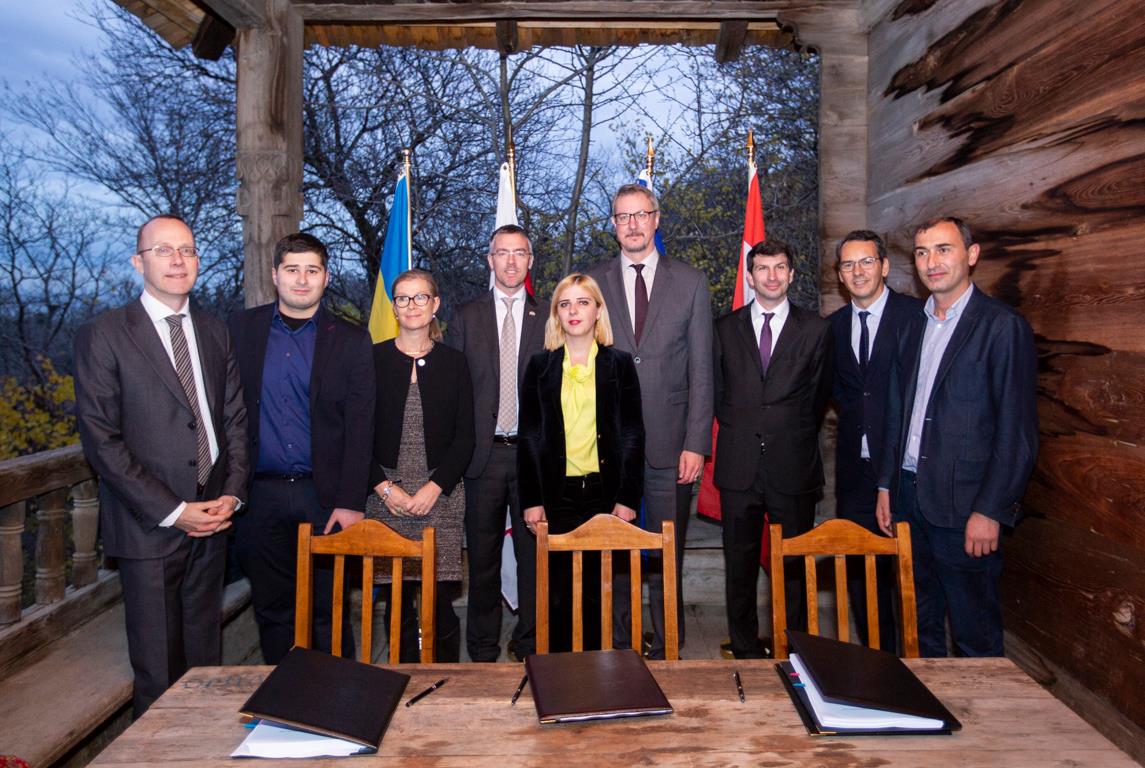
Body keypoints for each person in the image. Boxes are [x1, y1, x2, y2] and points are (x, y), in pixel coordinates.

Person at [74, 214, 250, 717]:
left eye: (187, 250)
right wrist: (175, 511)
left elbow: (235, 421)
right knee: (158, 672)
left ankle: (202, 746)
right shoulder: (105, 334)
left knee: (204, 665)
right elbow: (101, 441)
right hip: (148, 527)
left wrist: (232, 495)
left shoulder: (215, 331)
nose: (178, 260)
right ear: (139, 262)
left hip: (213, 520)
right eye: (163, 250)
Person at [877, 217, 1038, 657]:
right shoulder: (913, 326)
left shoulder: (1001, 327)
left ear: (971, 255)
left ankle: (981, 706)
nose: (932, 262)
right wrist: (887, 484)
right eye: (922, 252)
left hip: (966, 509)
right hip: (908, 499)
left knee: (974, 637)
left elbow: (1017, 433)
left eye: (943, 249)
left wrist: (990, 509)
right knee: (917, 628)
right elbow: (897, 414)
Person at [228, 232, 375, 663]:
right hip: (258, 497)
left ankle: (339, 697)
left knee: (329, 610)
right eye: (292, 269)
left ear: (326, 278)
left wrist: (351, 502)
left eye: (312, 270)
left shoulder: (351, 339)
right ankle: (282, 692)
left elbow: (361, 427)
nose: (302, 279)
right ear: (275, 275)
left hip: (324, 497)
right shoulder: (239, 331)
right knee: (272, 609)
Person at [586, 183, 713, 658]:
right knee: (613, 552)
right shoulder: (591, 282)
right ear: (613, 225)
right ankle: (618, 646)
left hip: (670, 445)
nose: (633, 224)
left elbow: (702, 369)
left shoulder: (691, 282)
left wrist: (696, 442)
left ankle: (668, 646)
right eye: (623, 216)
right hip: (608, 448)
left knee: (665, 553)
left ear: (657, 220)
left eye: (641, 214)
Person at [713, 238, 834, 659]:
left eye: (780, 267)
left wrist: (784, 429)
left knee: (793, 567)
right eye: (763, 268)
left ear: (792, 274)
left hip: (793, 464)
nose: (771, 276)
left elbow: (818, 397)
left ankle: (795, 651)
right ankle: (745, 650)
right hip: (739, 464)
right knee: (739, 565)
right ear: (750, 276)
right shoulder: (724, 328)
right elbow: (719, 394)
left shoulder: (816, 329)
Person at [518, 273, 644, 652]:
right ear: (556, 314)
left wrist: (628, 497)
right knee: (557, 595)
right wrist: (532, 499)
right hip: (556, 495)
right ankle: (559, 673)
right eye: (565, 304)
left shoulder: (619, 364)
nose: (574, 311)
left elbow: (632, 433)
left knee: (596, 592)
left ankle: (596, 674)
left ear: (598, 311)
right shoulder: (539, 366)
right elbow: (530, 436)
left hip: (604, 495)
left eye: (583, 302)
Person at [445, 224, 547, 662]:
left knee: (533, 557)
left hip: (532, 457)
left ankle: (530, 642)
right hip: (481, 458)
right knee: (483, 558)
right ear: (489, 260)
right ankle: (482, 648)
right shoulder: (466, 316)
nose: (510, 261)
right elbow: (454, 390)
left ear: (530, 261)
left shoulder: (550, 316)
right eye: (502, 252)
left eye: (519, 253)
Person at [367, 269, 474, 662]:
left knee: (440, 604)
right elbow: (356, 434)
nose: (411, 306)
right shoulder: (372, 359)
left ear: (435, 305)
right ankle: (399, 681)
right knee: (396, 604)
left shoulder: (455, 363)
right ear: (394, 308)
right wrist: (384, 488)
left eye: (420, 297)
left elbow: (466, 436)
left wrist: (434, 488)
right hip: (385, 500)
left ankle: (446, 682)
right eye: (403, 298)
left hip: (440, 499)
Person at [827, 230, 921, 652]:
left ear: (884, 266)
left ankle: (914, 662)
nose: (858, 271)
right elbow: (838, 389)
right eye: (848, 264)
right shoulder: (832, 327)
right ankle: (877, 661)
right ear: (839, 275)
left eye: (866, 261)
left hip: (906, 469)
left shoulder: (916, 317)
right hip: (855, 473)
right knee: (861, 574)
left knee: (912, 574)